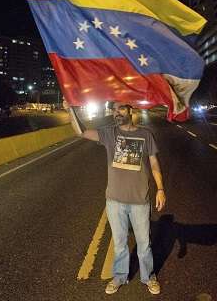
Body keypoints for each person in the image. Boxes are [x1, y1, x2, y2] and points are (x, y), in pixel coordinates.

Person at [64, 100, 165, 295]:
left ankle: (149, 277)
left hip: (139, 201)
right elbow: (81, 132)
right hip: (114, 201)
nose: (116, 112)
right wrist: (70, 110)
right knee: (119, 244)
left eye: (121, 108)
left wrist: (160, 188)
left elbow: (154, 164)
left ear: (130, 110)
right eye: (113, 109)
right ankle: (119, 277)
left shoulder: (146, 135)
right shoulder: (110, 134)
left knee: (144, 244)